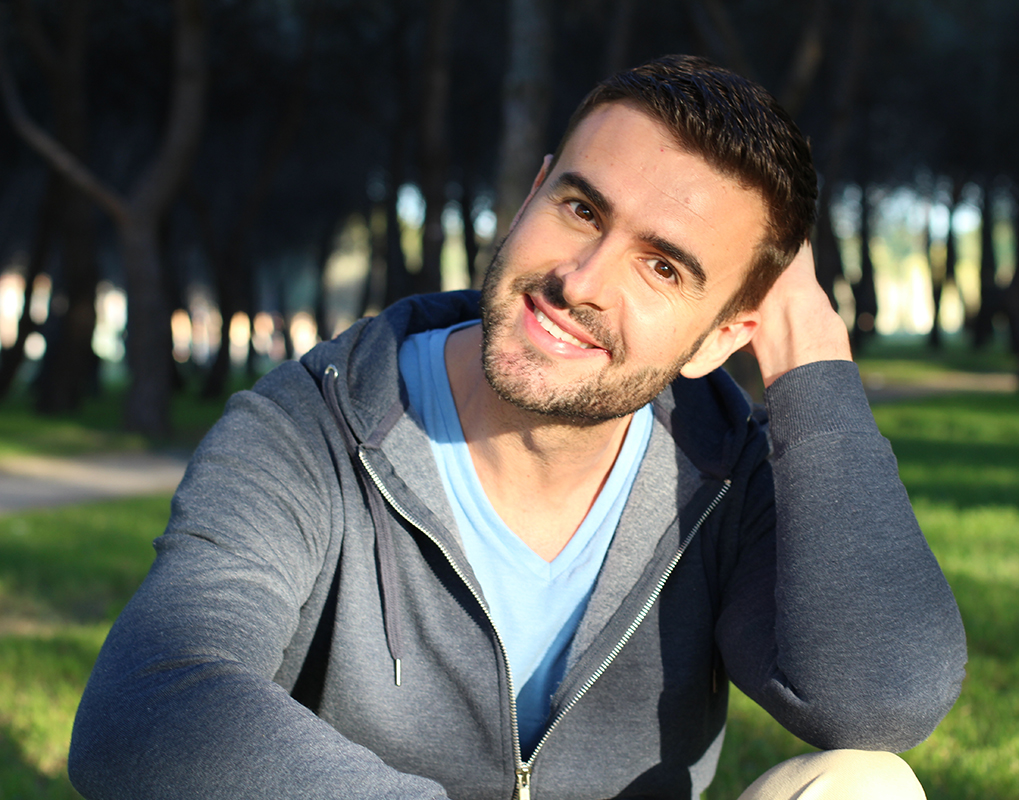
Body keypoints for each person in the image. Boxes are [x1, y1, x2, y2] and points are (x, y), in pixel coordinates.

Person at [69, 55, 966, 800]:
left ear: (723, 335)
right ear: (534, 191)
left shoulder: (723, 470)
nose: (581, 279)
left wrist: (814, 365)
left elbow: (880, 698)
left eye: (662, 267)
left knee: (865, 784)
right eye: (581, 209)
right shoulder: (313, 427)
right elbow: (151, 697)